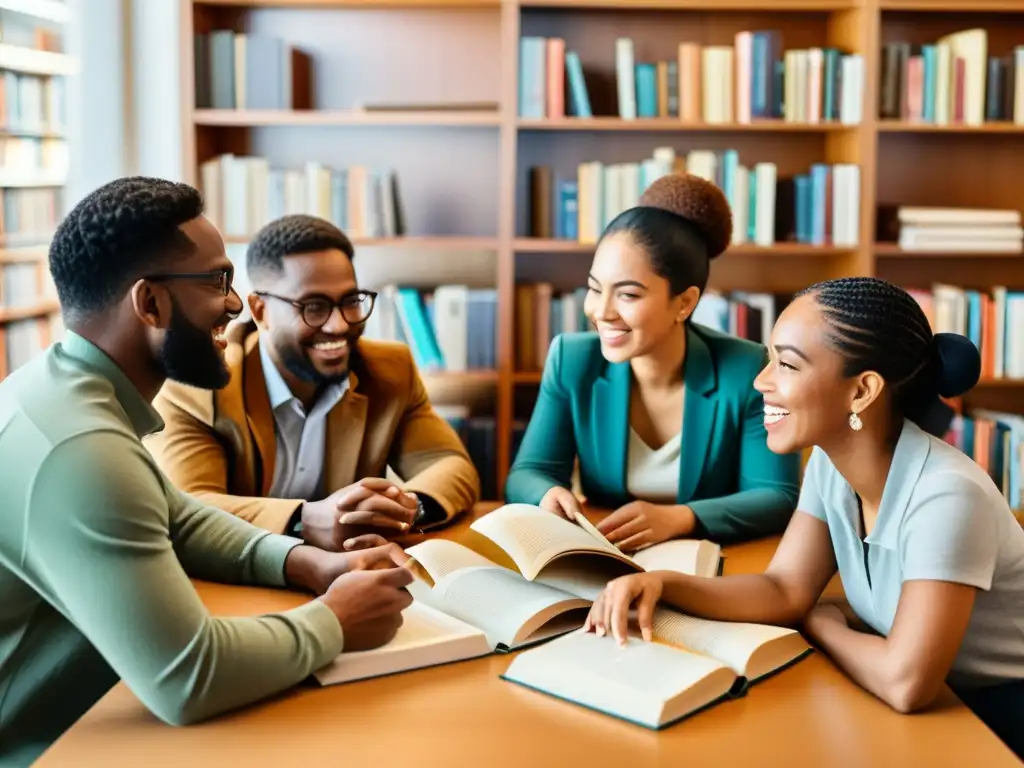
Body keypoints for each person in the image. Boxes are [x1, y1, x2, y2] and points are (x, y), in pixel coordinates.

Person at [0, 177, 416, 766]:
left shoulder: (60, 386)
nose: (235, 303)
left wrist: (308, 563)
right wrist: (336, 620)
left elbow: (175, 515)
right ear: (150, 303)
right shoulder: (81, 448)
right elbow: (188, 678)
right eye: (218, 281)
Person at [585, 276, 1024, 759]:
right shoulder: (831, 466)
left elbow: (906, 683)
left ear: (862, 392)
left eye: (787, 364)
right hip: (940, 704)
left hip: (997, 716)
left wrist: (821, 624)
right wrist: (661, 584)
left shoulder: (947, 497)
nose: (761, 381)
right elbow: (784, 590)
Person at [145, 214, 480, 552]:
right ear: (260, 312)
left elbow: (450, 465)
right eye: (314, 307)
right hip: (241, 578)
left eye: (350, 301)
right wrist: (302, 519)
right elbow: (191, 507)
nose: (338, 326)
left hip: (352, 573)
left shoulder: (389, 370)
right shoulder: (194, 384)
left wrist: (408, 506)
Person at [504, 173, 801, 550]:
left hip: (712, 562)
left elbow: (776, 495)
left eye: (627, 295)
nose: (601, 312)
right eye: (595, 289)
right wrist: (546, 493)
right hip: (609, 558)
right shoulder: (572, 360)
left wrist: (681, 517)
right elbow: (529, 472)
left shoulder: (744, 368)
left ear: (684, 303)